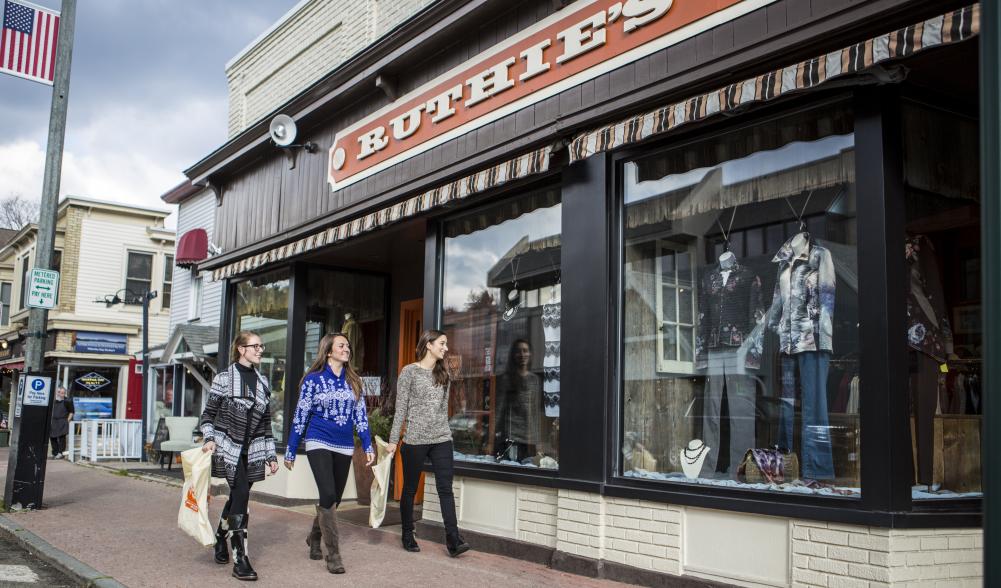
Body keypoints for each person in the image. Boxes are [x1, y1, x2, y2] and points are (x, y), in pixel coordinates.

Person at [284, 333, 375, 574]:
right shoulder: (312, 381)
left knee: (331, 498)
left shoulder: (354, 382)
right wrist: (291, 449)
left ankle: (314, 537)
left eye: (348, 345)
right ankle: (333, 554)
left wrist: (367, 445)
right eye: (342, 345)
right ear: (329, 351)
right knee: (327, 492)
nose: (347, 349)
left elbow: (361, 418)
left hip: (344, 444)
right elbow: (300, 415)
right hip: (318, 440)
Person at [199, 331, 279, 582]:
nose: (260, 350)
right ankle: (240, 558)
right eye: (255, 346)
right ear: (241, 349)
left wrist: (270, 454)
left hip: (252, 451)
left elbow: (266, 422)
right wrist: (209, 439)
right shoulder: (224, 379)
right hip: (228, 448)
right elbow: (207, 416)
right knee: (242, 496)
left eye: (261, 346)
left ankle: (220, 538)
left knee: (236, 496)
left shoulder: (263, 382)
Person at [387, 329, 470, 557]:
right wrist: (394, 440)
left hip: (442, 439)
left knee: (445, 489)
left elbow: (443, 410)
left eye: (446, 344)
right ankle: (407, 533)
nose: (445, 348)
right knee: (410, 489)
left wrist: (447, 433)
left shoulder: (444, 375)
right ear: (428, 345)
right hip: (414, 440)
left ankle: (453, 540)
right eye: (442, 344)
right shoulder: (409, 372)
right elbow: (401, 409)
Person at [494, 339, 542, 463]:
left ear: (530, 354)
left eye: (525, 351)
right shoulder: (507, 379)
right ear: (513, 356)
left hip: (528, 439)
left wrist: (538, 441)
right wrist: (492, 438)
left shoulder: (534, 379)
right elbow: (499, 410)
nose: (522, 354)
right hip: (510, 438)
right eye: (518, 351)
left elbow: (535, 412)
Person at [50, 387, 74, 459]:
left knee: (61, 438)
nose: (61, 394)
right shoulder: (53, 401)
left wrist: (67, 421)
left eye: (63, 393)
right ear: (57, 393)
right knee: (52, 437)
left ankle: (61, 453)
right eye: (59, 392)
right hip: (54, 421)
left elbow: (72, 412)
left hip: (63, 421)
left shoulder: (68, 401)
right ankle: (55, 452)